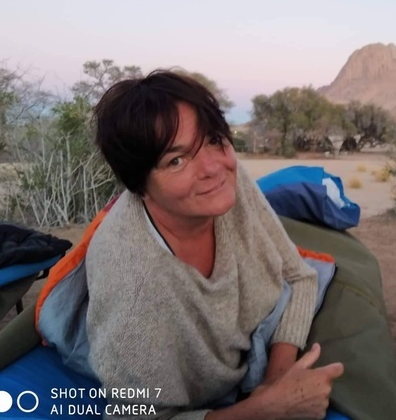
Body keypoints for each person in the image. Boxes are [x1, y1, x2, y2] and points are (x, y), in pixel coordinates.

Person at [86, 70, 344, 419]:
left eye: (213, 139)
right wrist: (265, 410)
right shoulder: (133, 288)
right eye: (176, 160)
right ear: (140, 187)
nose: (212, 167)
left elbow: (298, 276)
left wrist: (275, 382)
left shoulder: (227, 185)